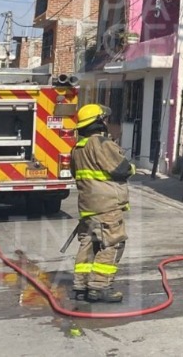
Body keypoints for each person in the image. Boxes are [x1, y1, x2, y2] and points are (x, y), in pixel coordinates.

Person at [69, 103, 135, 303]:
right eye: (105, 119)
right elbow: (121, 170)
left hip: (88, 207)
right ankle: (100, 287)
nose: (107, 122)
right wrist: (132, 167)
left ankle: (81, 286)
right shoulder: (102, 144)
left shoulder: (78, 148)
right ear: (99, 122)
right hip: (106, 207)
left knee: (88, 244)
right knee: (112, 244)